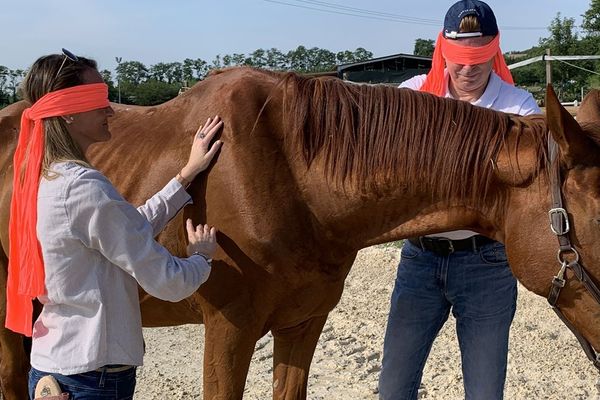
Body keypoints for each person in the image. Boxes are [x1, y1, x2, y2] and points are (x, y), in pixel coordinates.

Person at [6, 50, 223, 399]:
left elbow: (125, 228)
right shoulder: (82, 186)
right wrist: (201, 259)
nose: (110, 110)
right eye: (98, 100)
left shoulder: (44, 177)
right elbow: (167, 281)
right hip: (91, 380)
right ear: (70, 113)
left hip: (56, 367)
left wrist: (186, 176)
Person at [379, 1, 541, 399]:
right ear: (443, 52)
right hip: (420, 260)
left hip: (487, 264)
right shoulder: (413, 96)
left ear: (494, 52)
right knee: (393, 388)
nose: (468, 71)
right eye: (459, 62)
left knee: (485, 392)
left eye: (479, 62)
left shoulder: (518, 108)